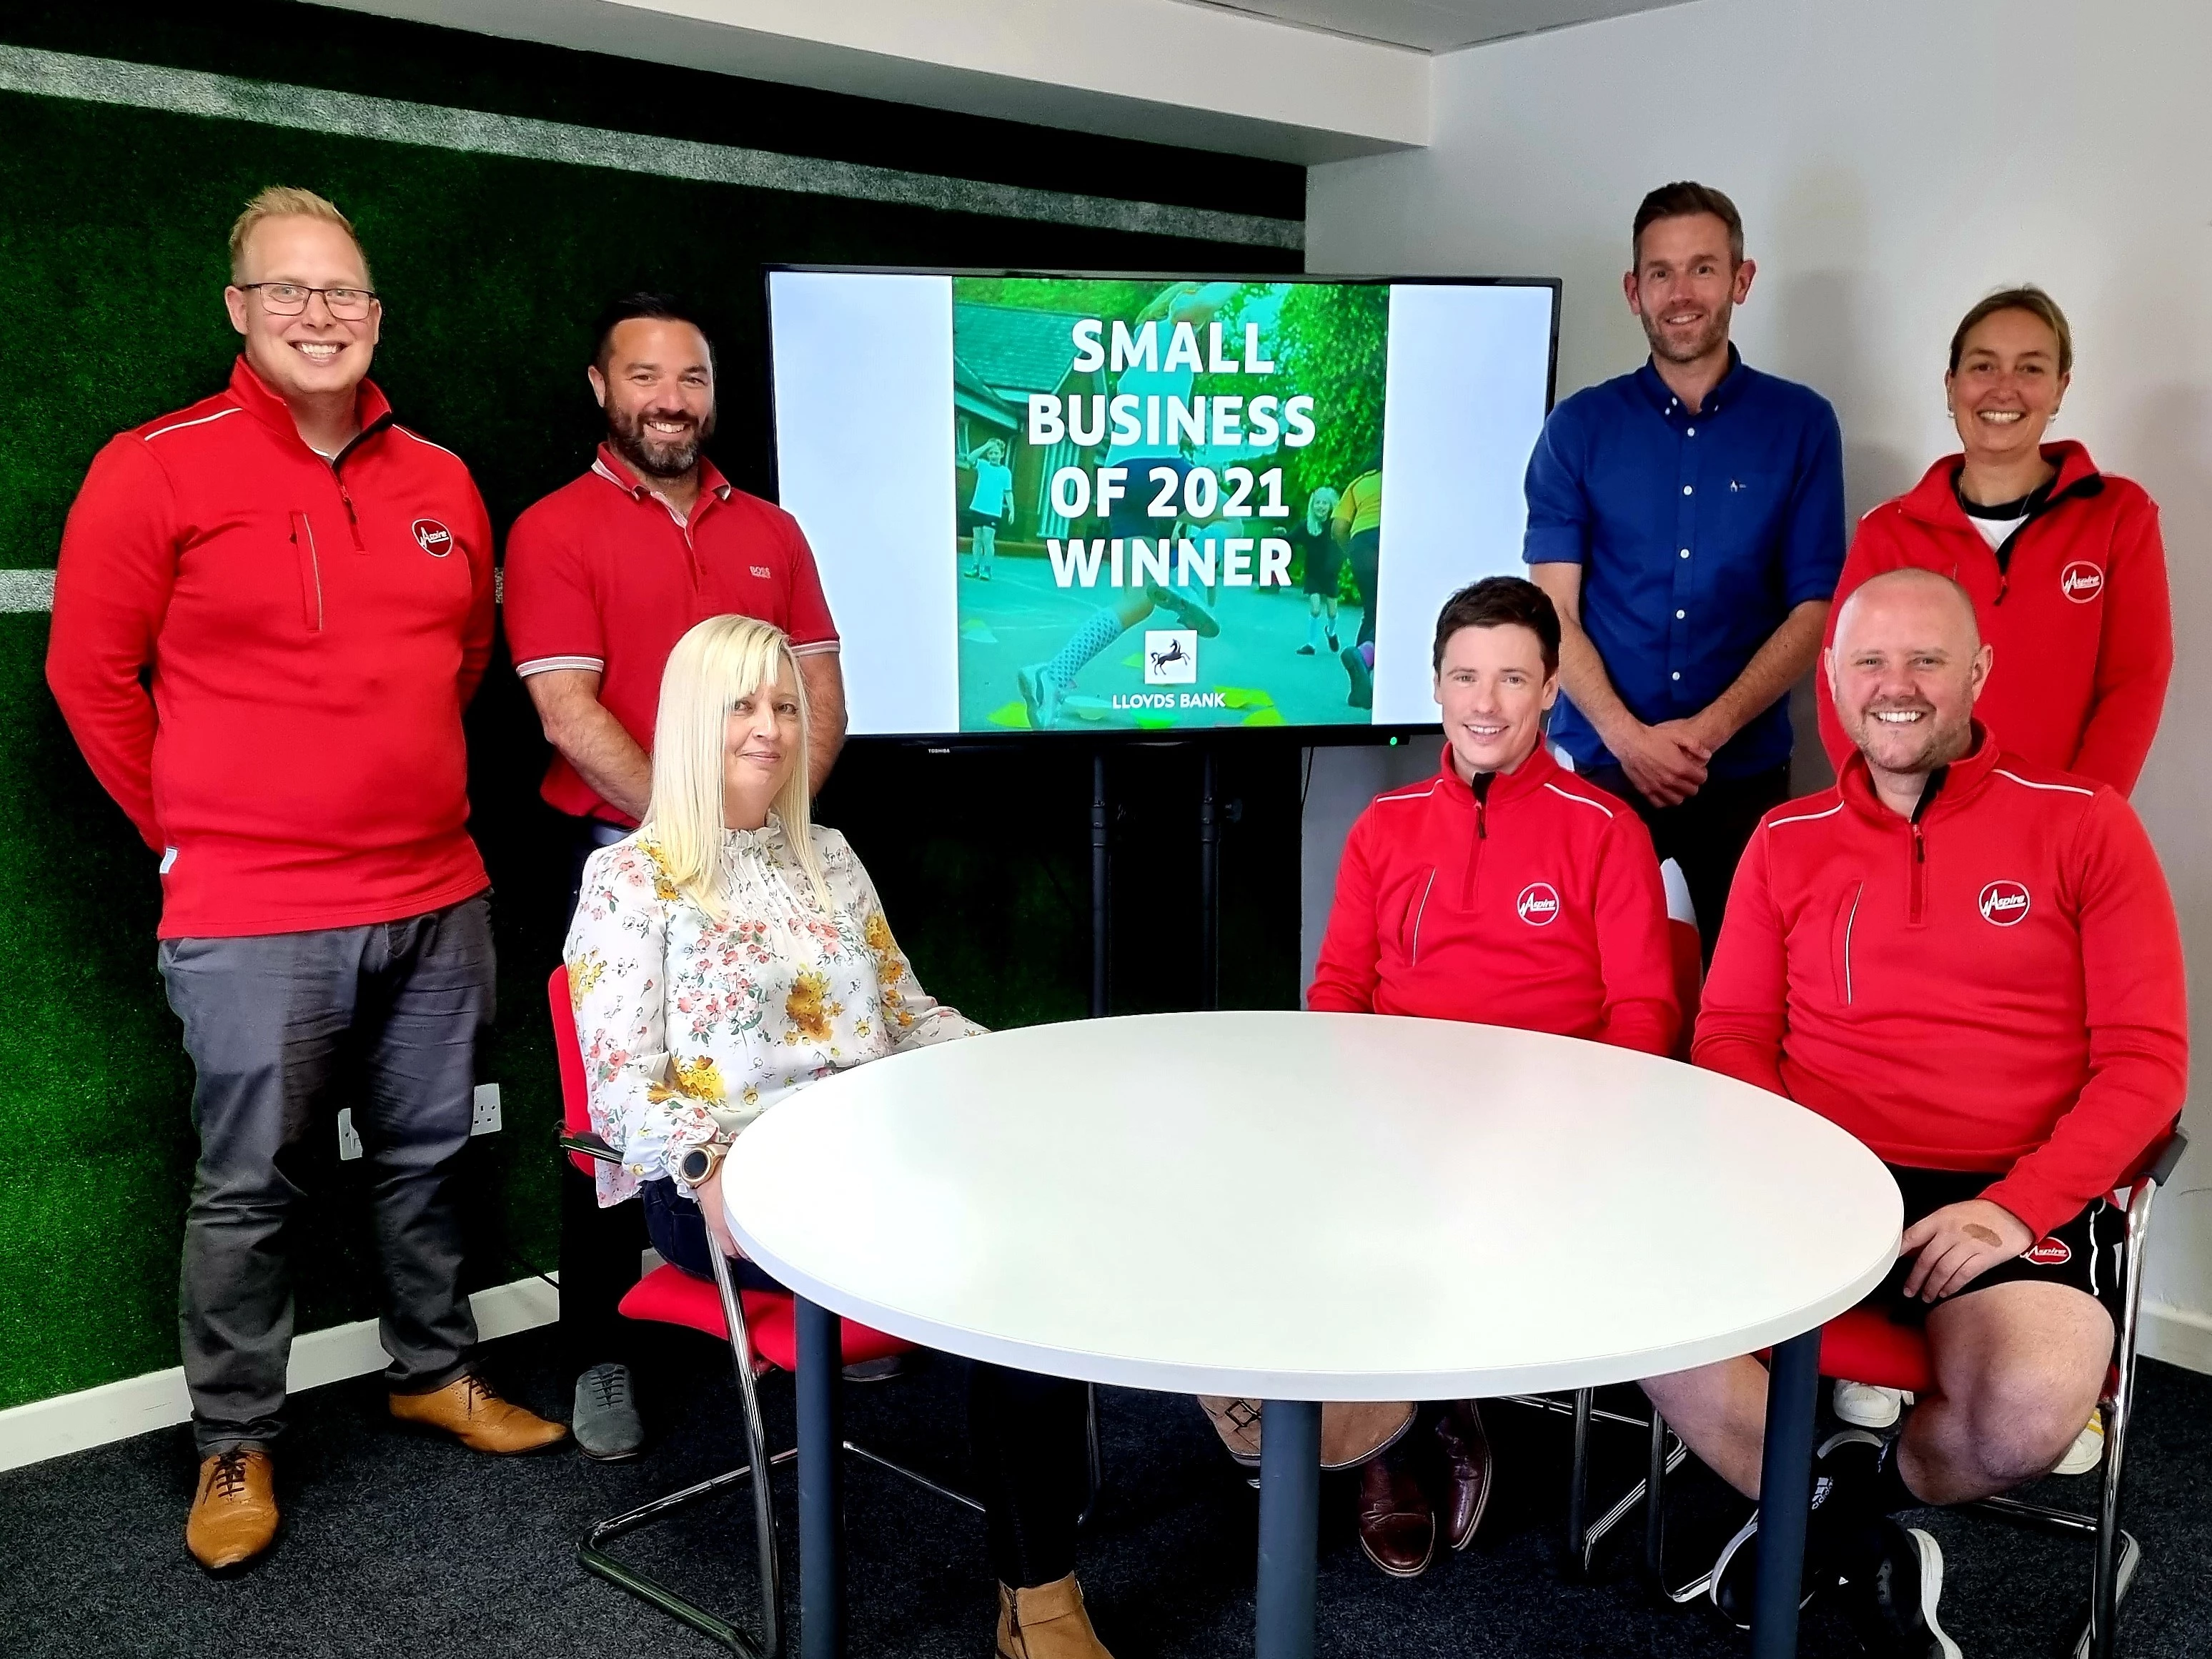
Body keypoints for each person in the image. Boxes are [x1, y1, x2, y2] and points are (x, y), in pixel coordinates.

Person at [46, 187, 565, 1573]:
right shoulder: (153, 466)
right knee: (249, 1185)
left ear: (376, 313)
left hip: (436, 891)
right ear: (239, 310)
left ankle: (432, 1366)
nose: (320, 317)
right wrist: (189, 829)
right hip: (249, 911)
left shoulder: (444, 478)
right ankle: (235, 1436)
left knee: (426, 1156)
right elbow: (88, 677)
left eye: (343, 293)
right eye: (290, 292)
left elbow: (456, 666)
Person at [1642, 570, 2186, 1657]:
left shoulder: (2085, 826)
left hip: (2002, 1184)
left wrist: (2010, 1206)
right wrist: (1786, 1172)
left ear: (1975, 673)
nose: (1895, 686)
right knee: (1633, 1299)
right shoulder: (1783, 839)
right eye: (1868, 663)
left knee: (2029, 1412)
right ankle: (1840, 1521)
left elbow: (2146, 1065)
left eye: (1924, 660)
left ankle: (1840, 1513)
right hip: (1820, 1171)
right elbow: (1733, 1033)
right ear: (1831, 682)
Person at [566, 615, 1114, 1659]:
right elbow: (621, 1087)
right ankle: (1041, 1592)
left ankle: (1037, 1589)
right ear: (691, 719)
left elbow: (905, 1012)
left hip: (882, 1150)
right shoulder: (630, 882)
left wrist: (1015, 1066)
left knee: (1038, 1239)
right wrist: (703, 1160)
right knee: (1008, 1253)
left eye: (783, 704)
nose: (769, 728)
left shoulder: (827, 854)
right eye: (741, 705)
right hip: (724, 1187)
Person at [504, 292, 847, 1460]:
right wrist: (691, 833)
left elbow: (816, 692)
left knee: (800, 1058)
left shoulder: (775, 530)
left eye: (691, 378)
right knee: (617, 1095)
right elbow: (565, 709)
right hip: (622, 850)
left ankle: (816, 1280)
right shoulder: (555, 528)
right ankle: (599, 1351)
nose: (670, 399)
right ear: (602, 389)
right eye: (644, 376)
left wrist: (774, 826)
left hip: (768, 852)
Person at [1306, 576, 1679, 1578]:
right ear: (1433, 687)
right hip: (1394, 1116)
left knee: (1426, 1213)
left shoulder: (1603, 830)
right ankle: (1402, 1433)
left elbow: (1642, 1015)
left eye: (1510, 678)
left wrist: (1569, 1123)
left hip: (1540, 1128)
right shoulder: (1383, 827)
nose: (1484, 702)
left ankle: (1423, 1411)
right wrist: (1339, 1104)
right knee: (1291, 1201)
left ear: (1549, 689)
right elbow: (1337, 987)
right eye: (1465, 676)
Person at [1524, 181, 1845, 958]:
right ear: (1633, 290)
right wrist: (1627, 737)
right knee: (1595, 1000)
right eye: (1659, 273)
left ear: (1740, 279)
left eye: (1702, 269)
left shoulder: (1800, 424)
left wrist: (1705, 732)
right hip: (1599, 772)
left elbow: (1814, 611)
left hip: (1740, 777)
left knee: (1738, 1002)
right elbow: (1551, 615)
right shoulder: (1577, 430)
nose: (1680, 293)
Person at [1816, 286, 2171, 797]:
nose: (2003, 389)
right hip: (1919, 827)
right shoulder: (1888, 532)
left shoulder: (2117, 516)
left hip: (2062, 830)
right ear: (1950, 384)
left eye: (2030, 368)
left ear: (2059, 388)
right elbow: (1842, 685)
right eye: (1983, 366)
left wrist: (2079, 816)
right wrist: (1890, 808)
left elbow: (2134, 682)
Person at [1016, 282, 1226, 730]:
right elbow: (1203, 302)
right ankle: (1181, 574)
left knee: (1136, 600)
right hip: (1157, 468)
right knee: (1233, 515)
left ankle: (1052, 674)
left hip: (1122, 480)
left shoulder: (1135, 366)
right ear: (1178, 305)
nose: (1207, 326)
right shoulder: (1171, 332)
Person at [1331, 455, 1384, 707]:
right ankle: (1364, 657)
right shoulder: (1406, 475)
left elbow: (1338, 528)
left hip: (1361, 543)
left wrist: (1351, 552)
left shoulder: (1359, 483)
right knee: (1394, 612)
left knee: (1372, 612)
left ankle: (1360, 690)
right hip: (1389, 535)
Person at [1293, 485, 1343, 655]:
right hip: (1313, 573)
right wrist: (1281, 534)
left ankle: (1331, 632)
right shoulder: (1306, 526)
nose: (1321, 506)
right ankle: (1311, 644)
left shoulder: (1335, 526)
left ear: (1331, 506)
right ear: (1312, 506)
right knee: (1315, 609)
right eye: (1317, 503)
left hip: (1330, 574)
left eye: (1324, 503)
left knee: (1332, 611)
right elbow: (1291, 538)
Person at [961, 436, 1016, 580]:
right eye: (991, 453)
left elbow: (1008, 492)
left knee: (987, 540)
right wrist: (986, 445)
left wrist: (1012, 510)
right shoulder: (983, 465)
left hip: (993, 512)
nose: (993, 456)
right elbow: (970, 458)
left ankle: (987, 570)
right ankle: (975, 567)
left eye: (996, 453)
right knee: (977, 539)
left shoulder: (1006, 472)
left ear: (1002, 454)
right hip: (978, 507)